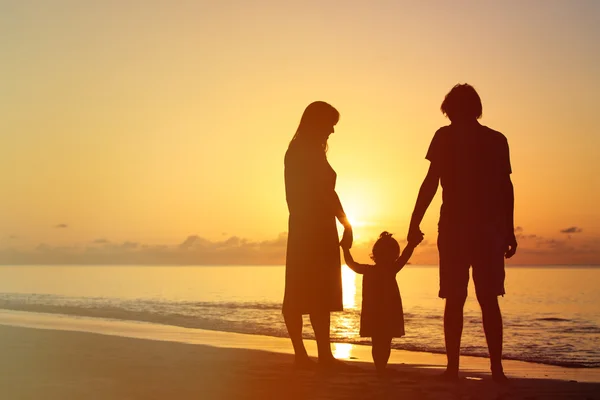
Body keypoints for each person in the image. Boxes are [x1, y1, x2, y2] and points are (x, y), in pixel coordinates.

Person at [407, 84, 517, 383]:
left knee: (456, 299)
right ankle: (495, 370)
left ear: (451, 109)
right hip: (486, 229)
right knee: (487, 299)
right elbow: (506, 189)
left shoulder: (446, 137)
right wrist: (508, 229)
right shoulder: (495, 139)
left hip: (461, 228)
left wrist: (414, 221)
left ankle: (456, 368)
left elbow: (431, 181)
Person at [283, 101, 353, 369]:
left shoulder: (311, 151)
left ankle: (323, 354)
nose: (332, 131)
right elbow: (319, 192)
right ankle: (302, 354)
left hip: (319, 227)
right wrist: (342, 223)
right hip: (307, 228)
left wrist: (344, 223)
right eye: (330, 124)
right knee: (300, 291)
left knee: (319, 293)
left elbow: (328, 193)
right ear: (317, 122)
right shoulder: (300, 151)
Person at [341, 231, 421, 375]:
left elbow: (351, 264)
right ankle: (381, 367)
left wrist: (345, 249)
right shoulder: (391, 269)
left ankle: (380, 367)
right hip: (387, 311)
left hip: (374, 312)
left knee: (377, 341)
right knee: (384, 341)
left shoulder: (369, 270)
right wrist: (411, 244)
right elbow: (405, 256)